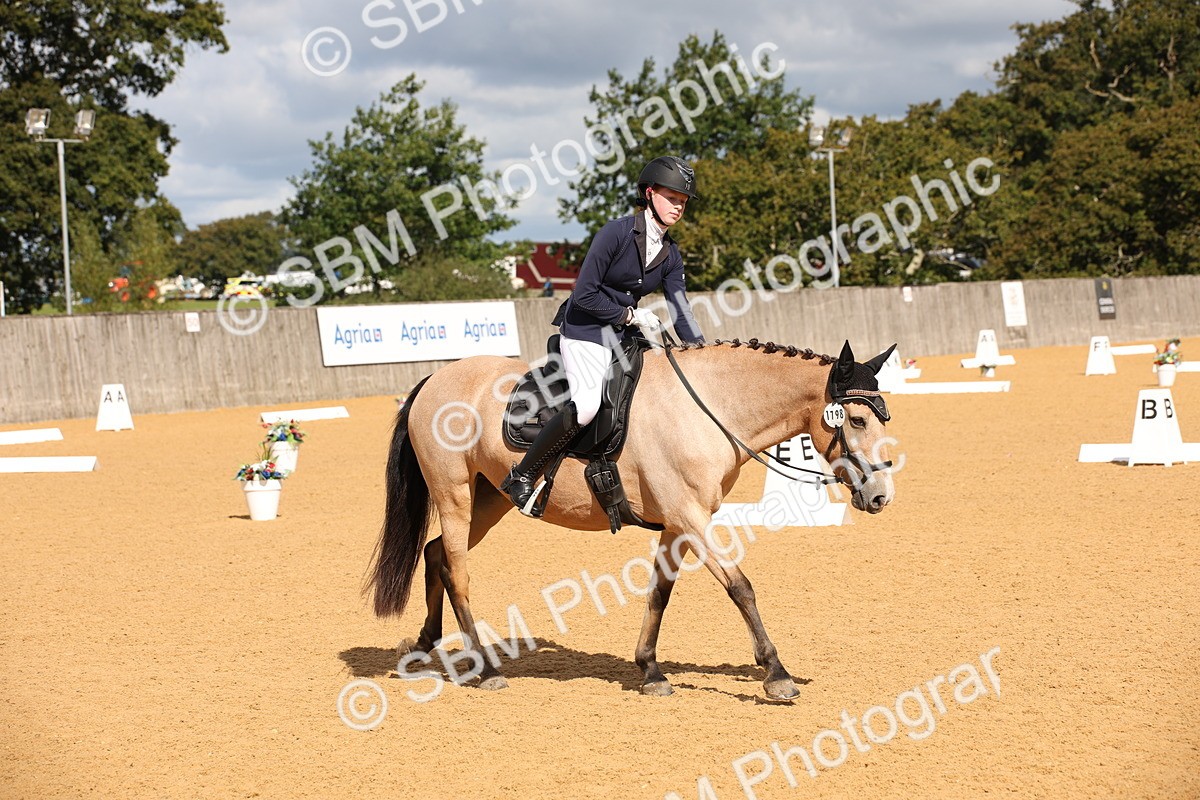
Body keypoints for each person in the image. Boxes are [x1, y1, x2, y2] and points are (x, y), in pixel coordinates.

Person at [500, 155, 706, 516]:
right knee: (588, 405)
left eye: (683, 201)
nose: (678, 206)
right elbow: (584, 293)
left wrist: (702, 352)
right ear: (649, 193)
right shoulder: (617, 233)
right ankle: (523, 475)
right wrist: (629, 314)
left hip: (622, 335)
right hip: (584, 330)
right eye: (672, 197)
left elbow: (681, 309)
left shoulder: (671, 254)